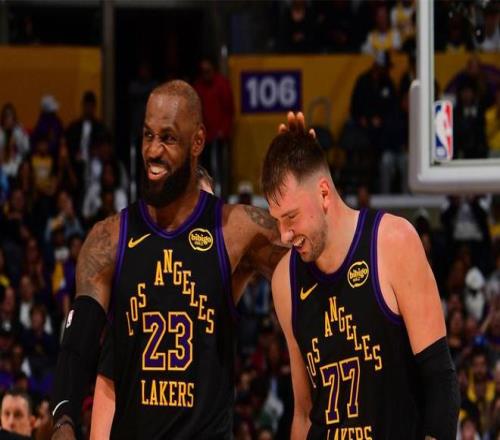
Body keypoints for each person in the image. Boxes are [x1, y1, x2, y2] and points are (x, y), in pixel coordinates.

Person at [50, 80, 285, 439]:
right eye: (148, 135)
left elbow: (314, 265)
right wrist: (63, 419)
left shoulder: (236, 230)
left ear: (198, 142)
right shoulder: (108, 238)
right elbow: (78, 343)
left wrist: (300, 170)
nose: (153, 150)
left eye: (168, 138)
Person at [261, 131, 460, 439]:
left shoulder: (393, 242)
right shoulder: (285, 279)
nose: (285, 234)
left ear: (324, 193)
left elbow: (440, 382)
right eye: (277, 220)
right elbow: (303, 412)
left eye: (291, 217)